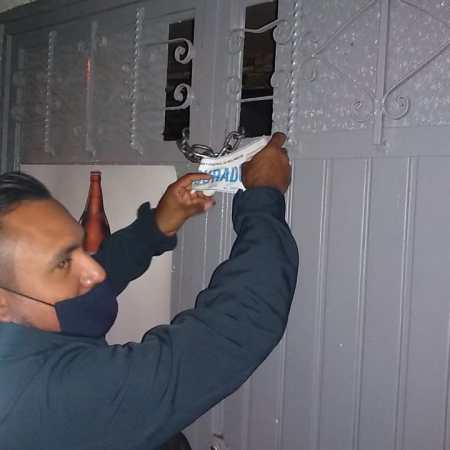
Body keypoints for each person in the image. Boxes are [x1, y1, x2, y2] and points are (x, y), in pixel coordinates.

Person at [0, 133, 298, 450]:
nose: (95, 273)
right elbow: (237, 327)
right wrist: (263, 197)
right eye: (63, 263)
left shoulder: (20, 327)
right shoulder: (44, 399)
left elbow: (96, 272)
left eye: (81, 248)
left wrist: (155, 227)